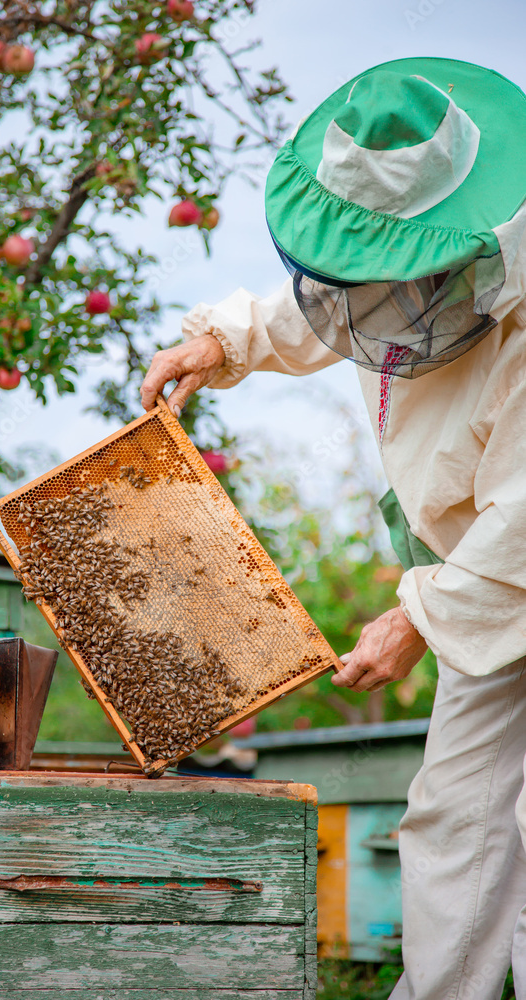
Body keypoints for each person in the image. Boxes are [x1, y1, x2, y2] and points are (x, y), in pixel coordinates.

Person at [141, 57, 526, 999]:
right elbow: (327, 302)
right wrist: (221, 339)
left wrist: (415, 618)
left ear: (451, 251)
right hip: (480, 588)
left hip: (498, 564)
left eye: (383, 270)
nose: (353, 298)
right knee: (455, 818)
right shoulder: (380, 280)